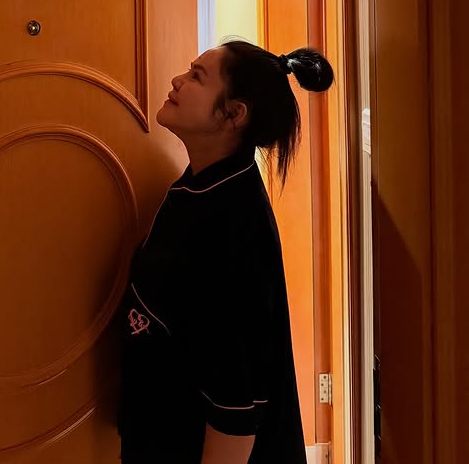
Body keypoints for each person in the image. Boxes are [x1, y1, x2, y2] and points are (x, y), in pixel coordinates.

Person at [117, 39, 334, 464]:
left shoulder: (233, 223)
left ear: (234, 114)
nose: (177, 80)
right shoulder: (206, 186)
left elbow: (236, 408)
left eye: (197, 77)